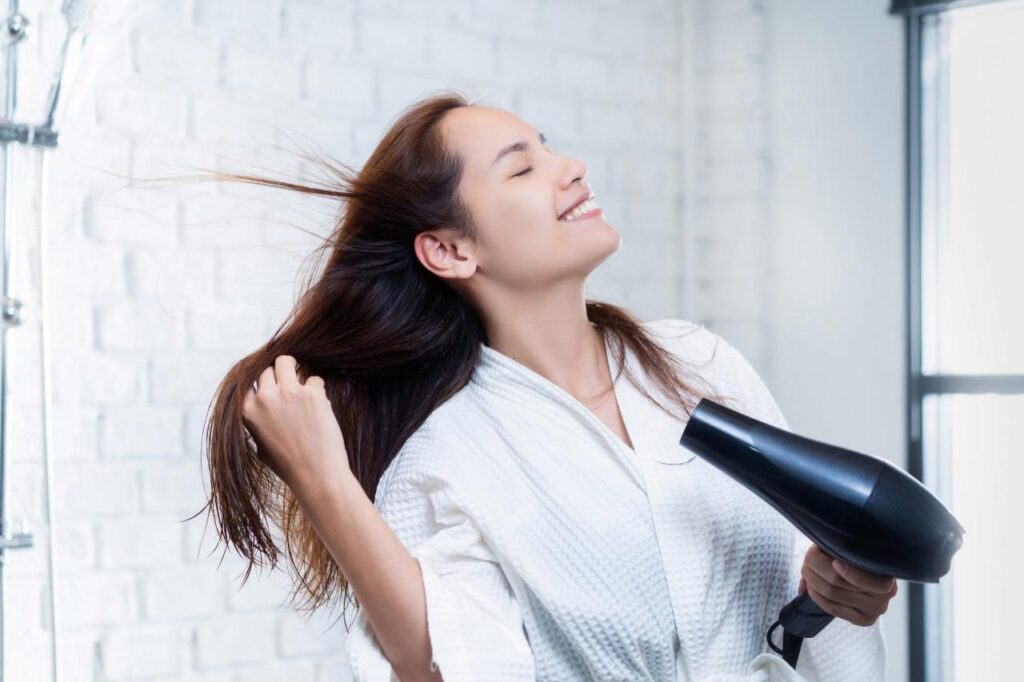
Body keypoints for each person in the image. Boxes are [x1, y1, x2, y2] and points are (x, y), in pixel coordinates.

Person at [197, 92, 896, 681]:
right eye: (523, 167)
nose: (572, 169)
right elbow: (451, 662)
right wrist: (325, 483)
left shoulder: (700, 365)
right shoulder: (446, 460)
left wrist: (838, 591)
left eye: (549, 148)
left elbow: (802, 583)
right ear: (450, 249)